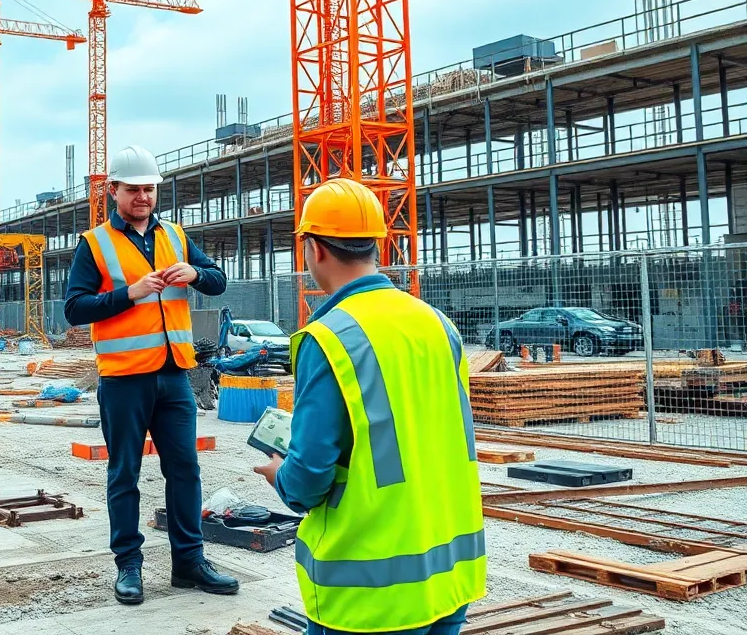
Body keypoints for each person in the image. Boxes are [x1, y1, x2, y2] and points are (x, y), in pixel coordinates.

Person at [253, 178, 485, 634]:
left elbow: (308, 477)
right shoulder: (438, 324)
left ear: (314, 248)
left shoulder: (329, 338)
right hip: (449, 574)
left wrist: (280, 474)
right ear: (376, 245)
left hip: (371, 592)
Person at [65, 144, 240, 606]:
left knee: (185, 469)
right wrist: (130, 292)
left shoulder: (176, 236)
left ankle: (189, 562)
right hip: (124, 379)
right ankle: (129, 565)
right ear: (113, 191)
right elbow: (75, 308)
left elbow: (218, 280)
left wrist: (195, 273)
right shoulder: (95, 243)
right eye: (133, 189)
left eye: (149, 189)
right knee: (125, 473)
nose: (142, 197)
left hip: (175, 374)